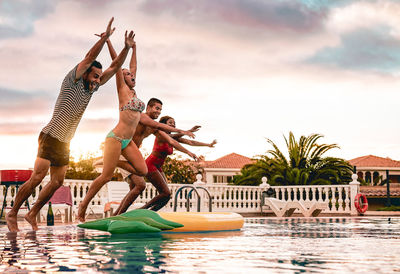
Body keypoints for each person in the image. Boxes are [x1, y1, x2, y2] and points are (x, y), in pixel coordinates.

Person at [6, 18, 135, 232]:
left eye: (98, 78)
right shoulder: (72, 79)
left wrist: (126, 49)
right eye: (94, 76)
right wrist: (105, 39)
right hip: (50, 135)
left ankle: (32, 213)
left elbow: (115, 67)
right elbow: (89, 57)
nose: (97, 80)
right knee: (37, 177)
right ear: (84, 72)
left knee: (56, 182)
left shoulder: (91, 87)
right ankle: (13, 213)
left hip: (65, 142)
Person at [78, 38, 196, 222]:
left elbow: (134, 67)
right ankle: (82, 209)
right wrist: (109, 41)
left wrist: (135, 48)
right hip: (116, 138)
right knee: (105, 177)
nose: (131, 76)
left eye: (132, 75)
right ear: (122, 77)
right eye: (127, 75)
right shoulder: (122, 90)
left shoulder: (134, 93)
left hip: (127, 142)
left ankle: (115, 161)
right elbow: (117, 63)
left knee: (142, 170)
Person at [115, 116, 216, 214]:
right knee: (165, 193)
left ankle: (149, 213)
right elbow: (172, 138)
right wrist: (187, 132)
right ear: (164, 125)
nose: (173, 124)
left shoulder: (174, 137)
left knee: (167, 196)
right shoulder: (160, 134)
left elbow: (190, 142)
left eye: (174, 123)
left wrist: (208, 145)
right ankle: (142, 210)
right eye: (170, 123)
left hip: (158, 167)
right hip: (150, 165)